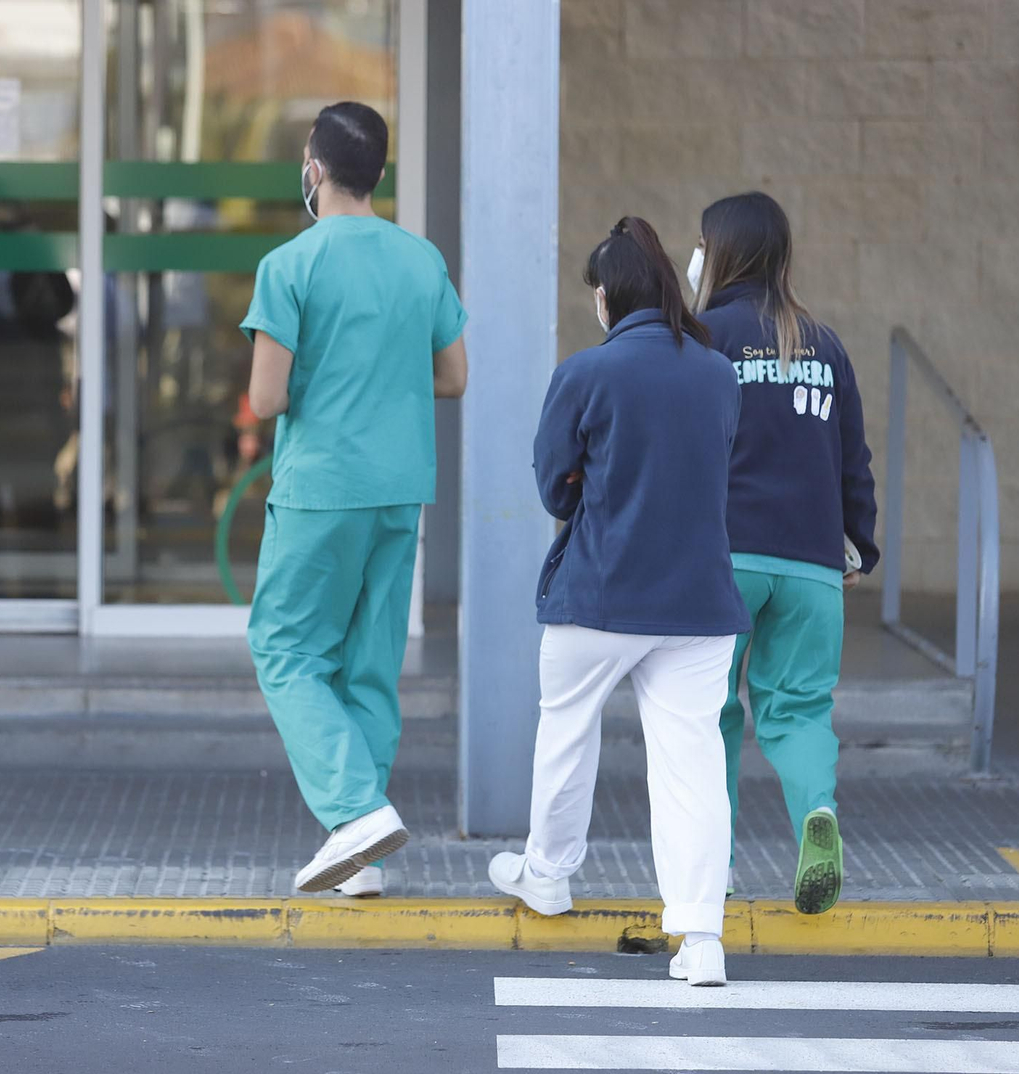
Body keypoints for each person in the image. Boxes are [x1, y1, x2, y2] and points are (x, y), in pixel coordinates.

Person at [487, 218, 751, 987]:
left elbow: (550, 483)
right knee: (691, 764)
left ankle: (549, 875)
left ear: (605, 297)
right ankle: (701, 938)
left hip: (598, 595)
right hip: (699, 603)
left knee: (567, 736)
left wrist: (586, 484)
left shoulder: (586, 373)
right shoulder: (717, 374)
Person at [240, 102, 468, 898]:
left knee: (287, 649)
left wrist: (320, 377)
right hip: (401, 485)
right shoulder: (420, 259)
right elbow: (454, 377)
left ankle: (353, 810)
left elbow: (266, 401)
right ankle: (360, 857)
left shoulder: (290, 265)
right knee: (368, 666)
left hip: (322, 487)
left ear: (316, 168)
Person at [689, 192, 878, 915]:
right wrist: (858, 546)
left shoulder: (704, 337)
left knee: (709, 715)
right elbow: (850, 459)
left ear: (721, 253)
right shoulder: (823, 344)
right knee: (798, 712)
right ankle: (814, 817)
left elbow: (684, 451)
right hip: (811, 565)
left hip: (723, 560)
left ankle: (714, 869)